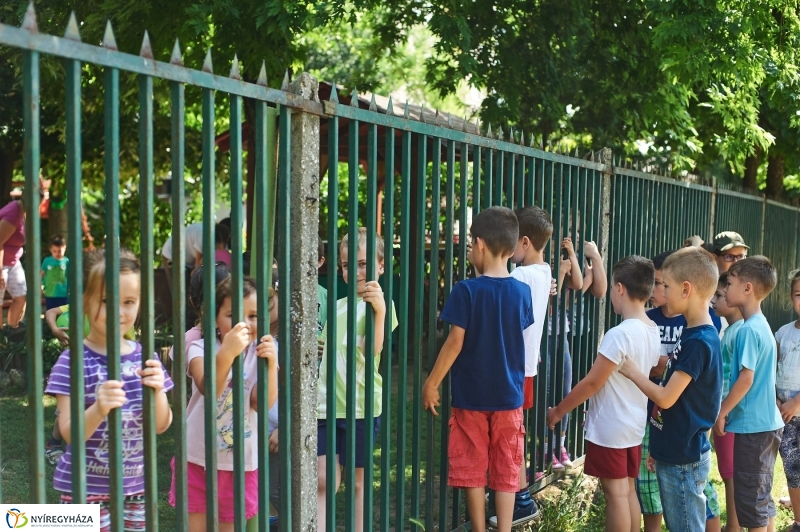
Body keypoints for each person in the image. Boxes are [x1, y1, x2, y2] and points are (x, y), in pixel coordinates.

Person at [423, 206, 534, 532]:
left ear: (481, 244)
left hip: (471, 398)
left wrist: (432, 383)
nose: (470, 249)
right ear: (512, 248)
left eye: (470, 243)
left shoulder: (466, 291)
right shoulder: (522, 292)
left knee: (472, 466)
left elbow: (454, 343)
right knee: (506, 468)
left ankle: (478, 528)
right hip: (509, 398)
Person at [44, 254, 174, 531]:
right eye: (106, 301)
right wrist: (98, 409)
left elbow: (161, 426)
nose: (119, 311)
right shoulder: (72, 361)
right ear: (85, 301)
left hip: (135, 489)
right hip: (83, 490)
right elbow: (68, 432)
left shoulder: (145, 358)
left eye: (129, 302)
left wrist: (158, 392)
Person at [547, 255, 660, 532]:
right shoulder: (651, 329)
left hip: (612, 428)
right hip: (633, 426)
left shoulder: (619, 334)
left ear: (620, 288)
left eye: (611, 286)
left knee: (615, 495)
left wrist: (559, 411)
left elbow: (592, 383)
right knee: (628, 490)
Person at [619, 247, 722, 532]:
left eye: (666, 285)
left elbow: (665, 395)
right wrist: (659, 447)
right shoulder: (692, 334)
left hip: (683, 459)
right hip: (674, 452)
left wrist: (633, 373)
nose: (659, 290)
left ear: (686, 289)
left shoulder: (699, 342)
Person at [170, 276, 278, 531]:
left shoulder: (259, 353)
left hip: (239, 465)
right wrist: (228, 353)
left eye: (253, 316)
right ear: (215, 318)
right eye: (233, 314)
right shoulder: (200, 347)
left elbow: (260, 403)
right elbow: (209, 386)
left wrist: (272, 365)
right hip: (197, 459)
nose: (244, 323)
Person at [317, 227, 398, 532]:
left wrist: (377, 309)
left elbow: (372, 350)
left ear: (380, 265)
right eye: (349, 265)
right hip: (325, 408)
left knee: (358, 482)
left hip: (360, 408)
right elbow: (327, 351)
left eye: (364, 263)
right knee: (323, 478)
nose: (356, 270)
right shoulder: (337, 307)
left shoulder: (380, 306)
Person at [487, 205, 552, 527]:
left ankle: (520, 497)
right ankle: (509, 490)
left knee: (510, 436)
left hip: (512, 364)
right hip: (528, 364)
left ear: (524, 242)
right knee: (513, 433)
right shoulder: (545, 271)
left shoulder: (521, 274)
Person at [715, 256, 783, 532]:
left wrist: (722, 411)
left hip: (754, 430)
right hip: (765, 426)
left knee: (751, 505)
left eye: (729, 283)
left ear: (748, 289)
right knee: (760, 499)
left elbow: (745, 378)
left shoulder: (747, 330)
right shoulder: (761, 325)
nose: (725, 289)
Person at [710, 272, 744, 531]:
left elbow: (745, 377)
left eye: (720, 295)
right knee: (729, 473)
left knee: (731, 475)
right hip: (726, 413)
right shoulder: (730, 330)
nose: (713, 300)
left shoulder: (740, 332)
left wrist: (723, 412)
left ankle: (733, 526)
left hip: (730, 415)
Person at [775, 269, 800, 529]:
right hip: (785, 415)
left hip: (795, 408)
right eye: (799, 294)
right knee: (793, 469)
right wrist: (776, 400)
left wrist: (796, 402)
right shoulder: (782, 333)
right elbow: (771, 369)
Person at [0, 196, 28, 327]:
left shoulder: (24, 212)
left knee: (21, 298)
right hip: (1, 264)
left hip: (13, 262)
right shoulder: (13, 214)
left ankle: (12, 334)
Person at [41, 234, 69, 310]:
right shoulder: (47, 261)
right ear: (50, 249)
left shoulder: (67, 261)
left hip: (64, 294)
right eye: (54, 251)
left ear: (64, 248)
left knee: (63, 313)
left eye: (60, 251)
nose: (57, 253)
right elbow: (41, 274)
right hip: (50, 293)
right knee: (50, 311)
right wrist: (40, 285)